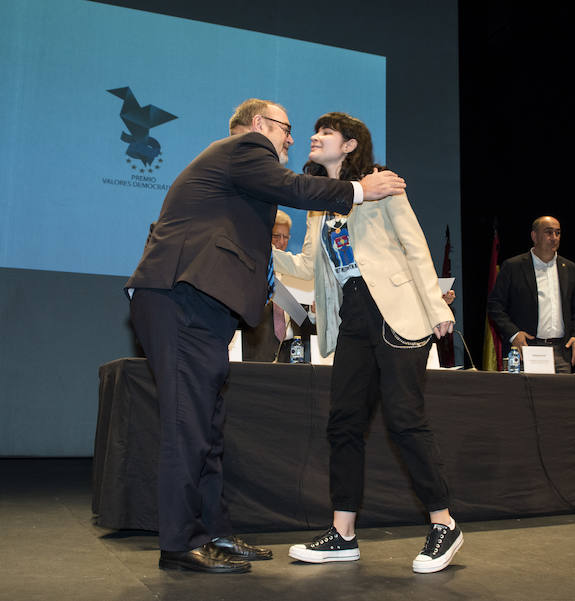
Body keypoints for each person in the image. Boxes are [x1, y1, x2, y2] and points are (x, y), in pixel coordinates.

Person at [125, 98, 406, 573]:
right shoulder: (245, 147)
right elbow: (291, 186)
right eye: (286, 129)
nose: (292, 139)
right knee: (187, 423)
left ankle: (212, 532)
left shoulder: (237, 173)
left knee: (207, 428)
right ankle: (179, 542)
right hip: (180, 296)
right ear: (259, 125)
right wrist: (360, 189)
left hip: (200, 303)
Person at [271, 112, 462, 574]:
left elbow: (414, 245)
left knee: (404, 419)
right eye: (314, 133)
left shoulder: (380, 184)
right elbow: (306, 265)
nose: (314, 138)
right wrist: (259, 247)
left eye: (326, 133)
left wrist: (438, 309)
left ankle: (444, 523)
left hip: (395, 310)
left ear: (351, 145)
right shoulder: (319, 205)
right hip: (351, 318)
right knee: (344, 423)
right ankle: (343, 533)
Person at [487, 216, 575, 373]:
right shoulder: (514, 266)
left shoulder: (569, 267)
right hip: (527, 350)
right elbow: (495, 305)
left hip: (561, 351)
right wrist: (514, 333)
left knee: (562, 398)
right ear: (534, 236)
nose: (554, 237)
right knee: (528, 397)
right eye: (548, 232)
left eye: (557, 233)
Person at [241, 210, 312, 362]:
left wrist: (313, 313)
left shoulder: (298, 276)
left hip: (292, 356)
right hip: (258, 356)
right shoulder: (249, 273)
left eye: (285, 237)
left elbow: (306, 325)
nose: (281, 241)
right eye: (276, 236)